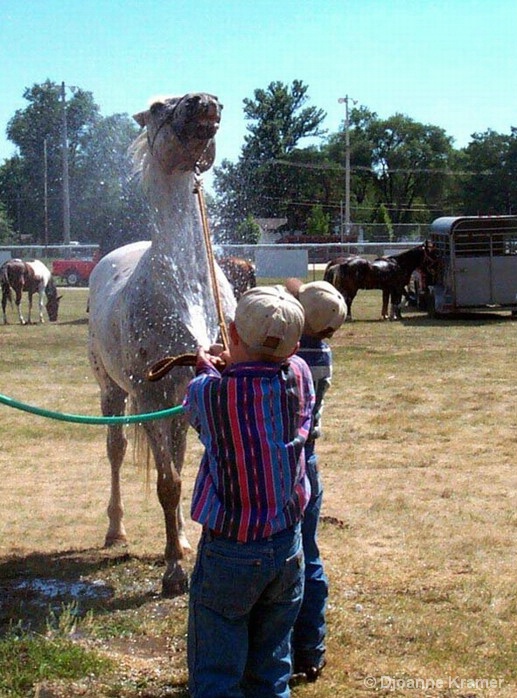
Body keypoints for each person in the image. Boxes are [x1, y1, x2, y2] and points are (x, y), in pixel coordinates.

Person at [183, 285, 316, 698]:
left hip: (230, 550)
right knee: (271, 663)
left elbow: (200, 400)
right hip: (286, 545)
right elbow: (266, 374)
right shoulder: (300, 375)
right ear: (294, 345)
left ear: (233, 334)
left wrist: (210, 364)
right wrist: (238, 361)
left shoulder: (210, 391)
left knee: (218, 666)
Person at [285, 278, 347, 683]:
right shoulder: (322, 353)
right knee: (310, 552)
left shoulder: (291, 359)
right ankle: (311, 647)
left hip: (288, 463)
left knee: (287, 556)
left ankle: (282, 648)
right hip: (310, 462)